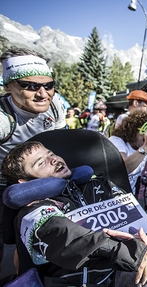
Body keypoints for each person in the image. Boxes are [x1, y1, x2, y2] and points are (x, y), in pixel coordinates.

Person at [0, 141, 147, 286]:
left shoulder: (100, 184)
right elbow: (68, 237)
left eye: (51, 153)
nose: (53, 159)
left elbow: (142, 223)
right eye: (41, 162)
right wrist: (133, 253)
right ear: (24, 182)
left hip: (125, 268)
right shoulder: (32, 212)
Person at [0, 46, 67, 268]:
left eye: (48, 85)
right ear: (8, 86)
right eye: (30, 86)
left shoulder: (55, 106)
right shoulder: (3, 119)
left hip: (42, 179)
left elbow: (62, 144)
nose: (42, 94)